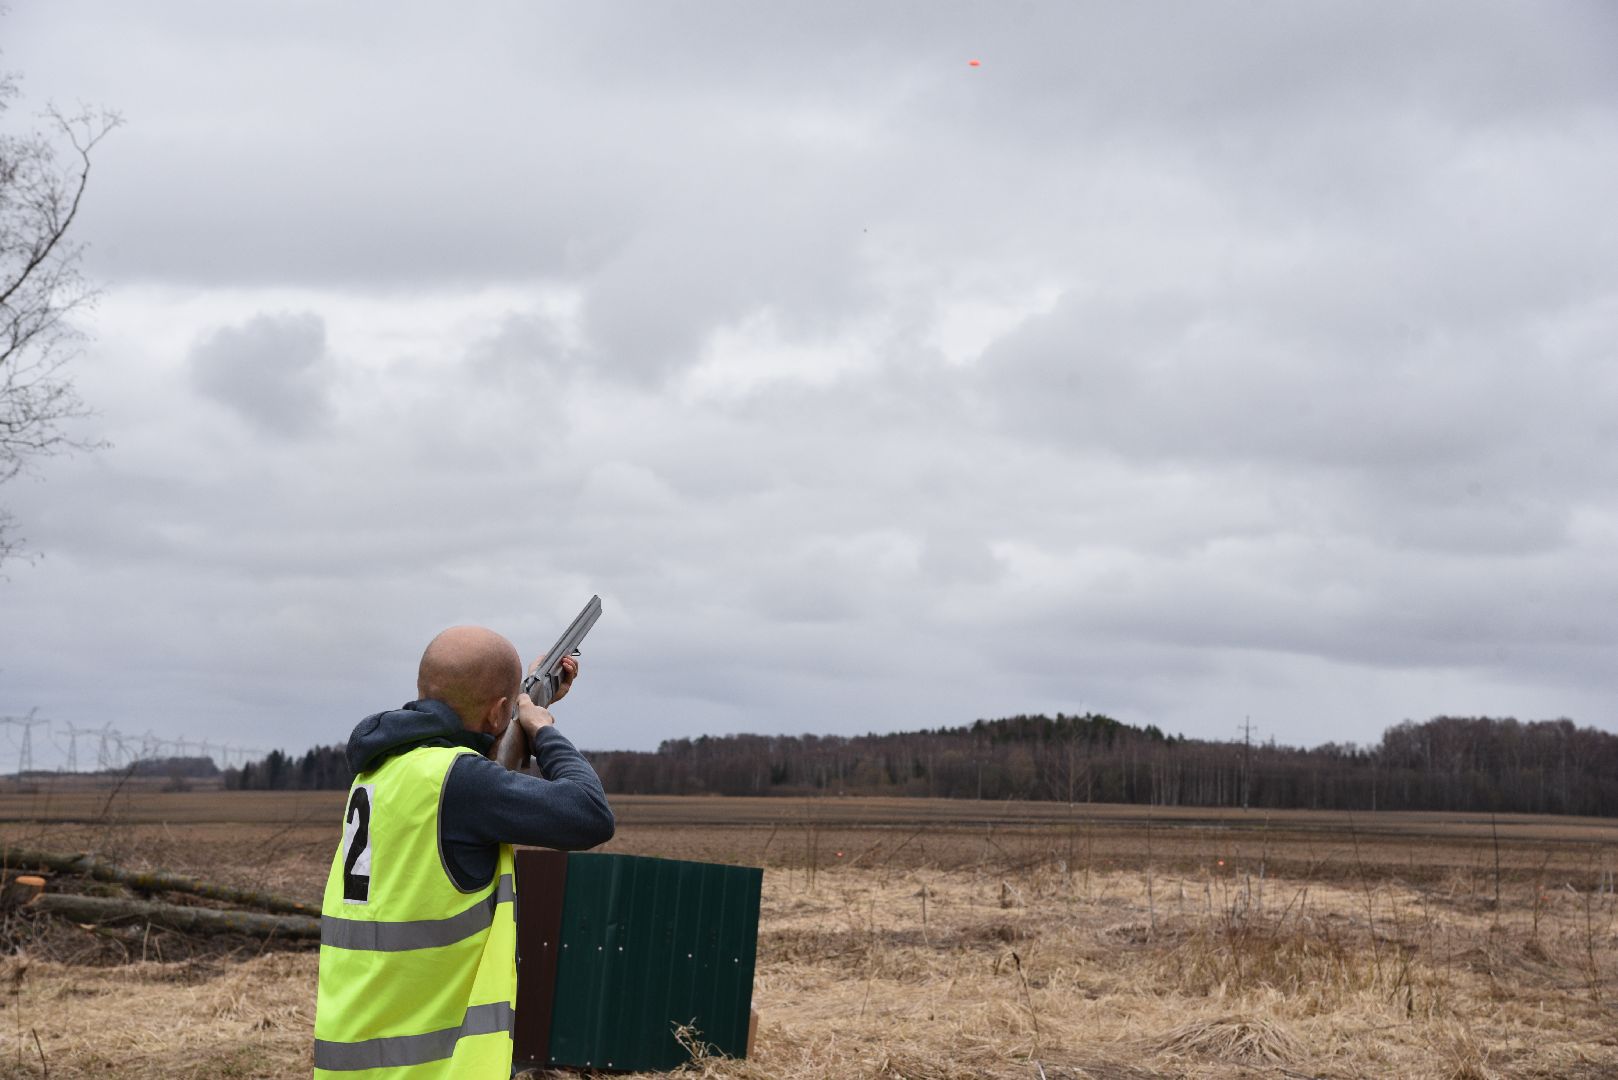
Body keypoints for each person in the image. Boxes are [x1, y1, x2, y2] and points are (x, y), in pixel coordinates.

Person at [312, 625, 615, 1078]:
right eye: (506, 708)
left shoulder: (380, 772)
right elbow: (590, 813)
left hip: (356, 1058)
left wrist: (528, 696)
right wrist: (540, 726)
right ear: (498, 714)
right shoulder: (460, 781)